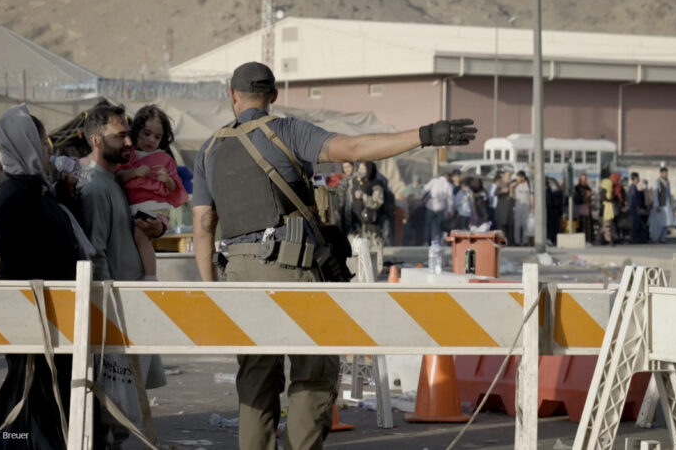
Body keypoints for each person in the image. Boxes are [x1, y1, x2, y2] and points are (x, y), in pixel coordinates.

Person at [192, 61, 476, 450]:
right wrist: (426, 135)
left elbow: (204, 225)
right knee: (312, 376)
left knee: (256, 379)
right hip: (294, 269)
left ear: (232, 95)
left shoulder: (209, 148)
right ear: (273, 96)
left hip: (239, 276)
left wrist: (211, 291)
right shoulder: (286, 131)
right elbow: (358, 147)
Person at [0, 105, 83, 449]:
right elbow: (21, 259)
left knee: (40, 394)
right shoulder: (14, 195)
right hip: (36, 312)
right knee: (31, 392)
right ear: (26, 144)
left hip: (53, 310)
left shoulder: (36, 190)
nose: (49, 149)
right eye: (43, 142)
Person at [80, 104, 167, 447]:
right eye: (121, 136)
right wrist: (106, 315)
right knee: (105, 412)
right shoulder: (94, 188)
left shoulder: (113, 182)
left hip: (127, 306)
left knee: (117, 411)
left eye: (130, 133)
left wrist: (154, 228)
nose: (130, 141)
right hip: (111, 313)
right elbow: (95, 253)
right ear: (97, 140)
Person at [116, 105, 188, 280]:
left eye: (157, 136)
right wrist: (134, 173)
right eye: (146, 134)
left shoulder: (165, 159)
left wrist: (168, 180)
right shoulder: (128, 154)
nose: (151, 140)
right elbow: (118, 175)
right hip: (134, 209)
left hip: (155, 210)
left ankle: (151, 276)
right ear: (136, 131)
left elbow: (176, 188)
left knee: (140, 235)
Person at [350, 161, 386, 270]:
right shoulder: (357, 183)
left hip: (372, 225)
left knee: (375, 249)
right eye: (359, 169)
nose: (360, 172)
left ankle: (377, 272)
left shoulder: (376, 185)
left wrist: (365, 197)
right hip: (360, 224)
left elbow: (377, 202)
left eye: (363, 170)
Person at [422, 171, 455, 244]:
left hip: (431, 205)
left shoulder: (434, 181)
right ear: (448, 177)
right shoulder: (449, 185)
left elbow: (425, 189)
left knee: (428, 225)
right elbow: (450, 200)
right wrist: (450, 211)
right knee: (439, 226)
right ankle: (437, 242)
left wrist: (422, 199)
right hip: (441, 206)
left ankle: (425, 242)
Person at [649, 167, 676, 243]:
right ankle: (656, 238)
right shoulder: (657, 182)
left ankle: (662, 238)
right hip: (660, 206)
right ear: (661, 173)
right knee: (658, 224)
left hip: (666, 206)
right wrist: (657, 205)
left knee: (666, 223)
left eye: (666, 173)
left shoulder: (667, 182)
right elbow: (655, 194)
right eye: (664, 173)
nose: (666, 174)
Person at [512, 170, 533, 246]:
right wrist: (512, 186)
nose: (517, 178)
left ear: (523, 177)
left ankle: (525, 241)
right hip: (517, 208)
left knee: (525, 225)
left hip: (526, 207)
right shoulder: (515, 184)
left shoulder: (528, 184)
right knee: (517, 225)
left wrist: (532, 207)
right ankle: (517, 241)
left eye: (518, 177)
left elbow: (531, 196)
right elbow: (511, 195)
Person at [494, 169, 514, 242]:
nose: (509, 177)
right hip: (502, 208)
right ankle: (502, 240)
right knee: (501, 225)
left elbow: (512, 196)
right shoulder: (500, 184)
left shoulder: (512, 184)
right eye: (508, 175)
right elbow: (495, 193)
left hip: (509, 208)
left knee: (510, 225)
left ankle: (510, 241)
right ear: (504, 176)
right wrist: (502, 191)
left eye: (510, 175)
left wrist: (511, 188)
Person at [573, 173, 593, 243]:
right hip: (581, 209)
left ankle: (589, 240)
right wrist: (586, 196)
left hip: (588, 207)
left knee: (588, 225)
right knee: (582, 225)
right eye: (582, 179)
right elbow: (577, 199)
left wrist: (590, 195)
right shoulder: (577, 188)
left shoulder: (587, 187)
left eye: (585, 179)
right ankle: (583, 240)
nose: (584, 181)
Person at [628, 172, 647, 243]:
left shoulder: (634, 187)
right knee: (635, 224)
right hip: (634, 208)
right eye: (637, 177)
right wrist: (638, 208)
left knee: (637, 223)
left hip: (634, 208)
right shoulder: (633, 187)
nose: (639, 179)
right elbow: (633, 199)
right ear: (635, 179)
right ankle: (633, 239)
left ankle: (635, 238)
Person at [338, 162, 356, 234]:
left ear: (353, 166)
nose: (347, 169)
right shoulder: (342, 181)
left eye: (349, 167)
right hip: (345, 213)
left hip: (356, 214)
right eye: (345, 167)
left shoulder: (357, 179)